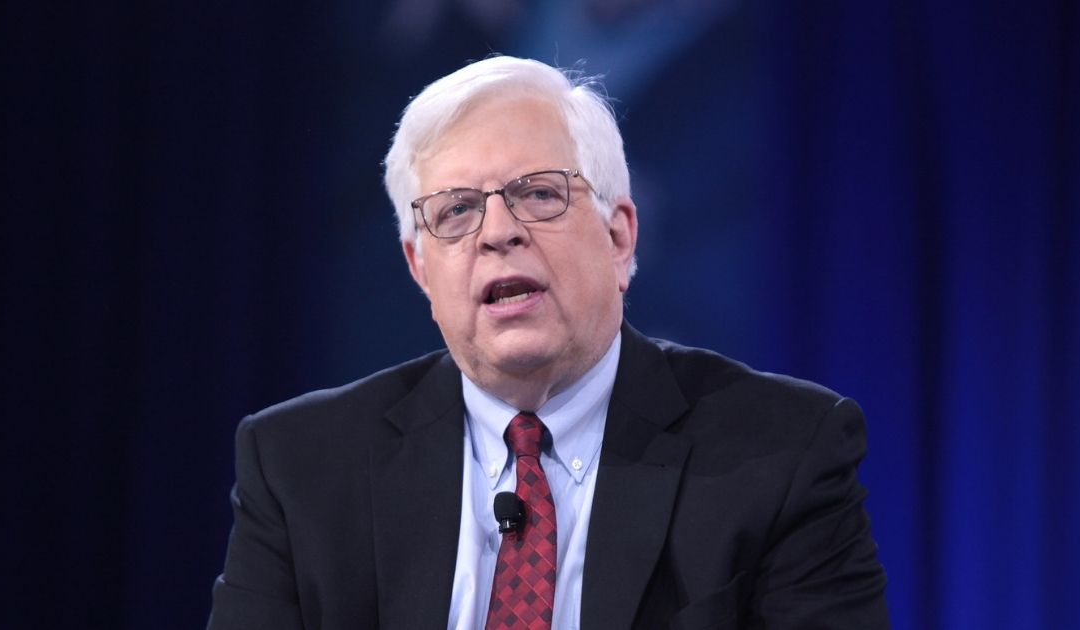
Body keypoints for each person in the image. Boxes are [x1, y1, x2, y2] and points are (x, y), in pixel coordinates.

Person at [207, 55, 889, 630]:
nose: (497, 231)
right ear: (420, 268)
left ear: (620, 236)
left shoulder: (786, 452)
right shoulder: (299, 467)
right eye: (455, 211)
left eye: (537, 194)